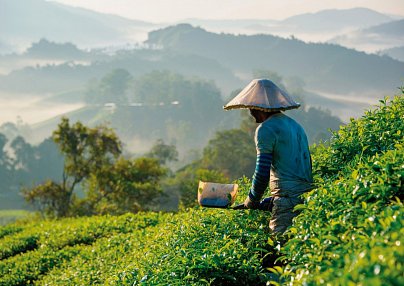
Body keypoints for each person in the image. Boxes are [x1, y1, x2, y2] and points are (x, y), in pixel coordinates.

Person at [224, 79, 313, 233]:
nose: (250, 112)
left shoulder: (265, 129)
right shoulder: (296, 126)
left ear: (260, 108)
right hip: (308, 196)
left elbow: (262, 172)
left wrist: (251, 200)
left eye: (252, 107)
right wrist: (271, 201)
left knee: (280, 247)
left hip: (287, 200)